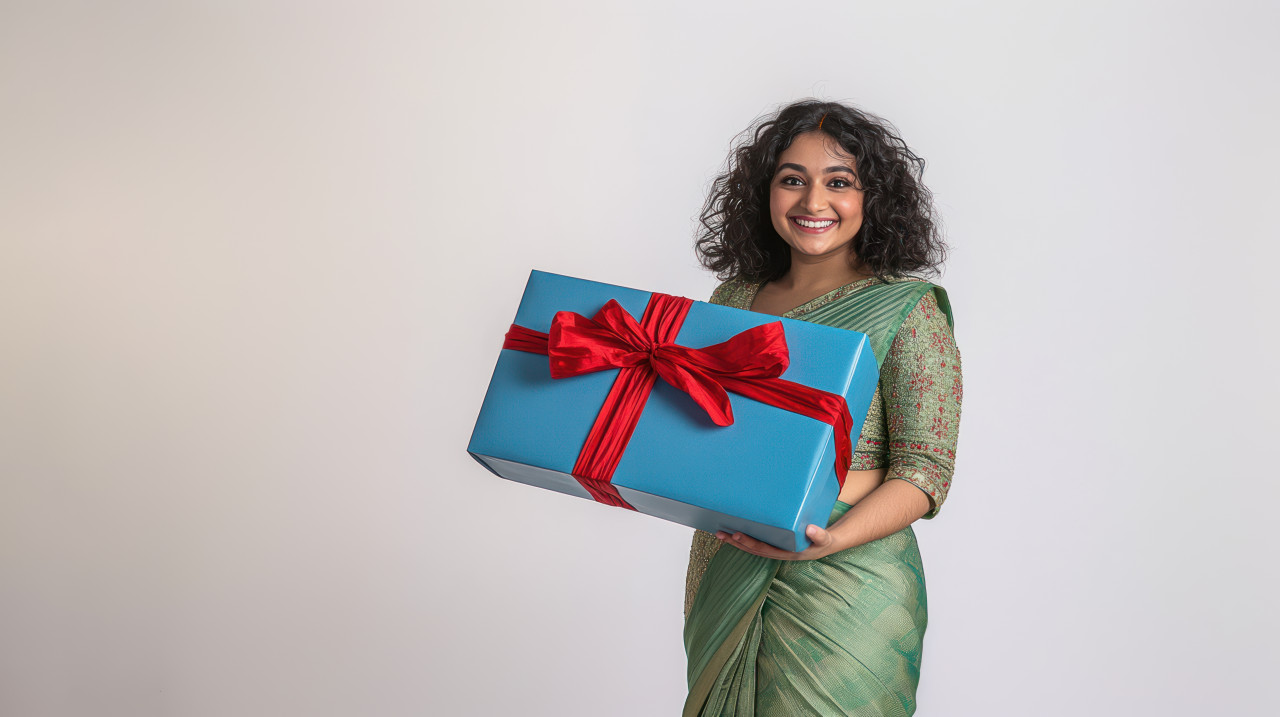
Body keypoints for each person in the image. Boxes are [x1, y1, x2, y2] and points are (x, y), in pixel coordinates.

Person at [683, 99, 962, 716]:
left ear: (873, 199)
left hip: (846, 581)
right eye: (793, 180)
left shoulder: (907, 309)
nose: (813, 203)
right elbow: (703, 432)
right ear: (765, 192)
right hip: (728, 561)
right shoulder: (732, 299)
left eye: (839, 182)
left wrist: (827, 538)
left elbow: (925, 472)